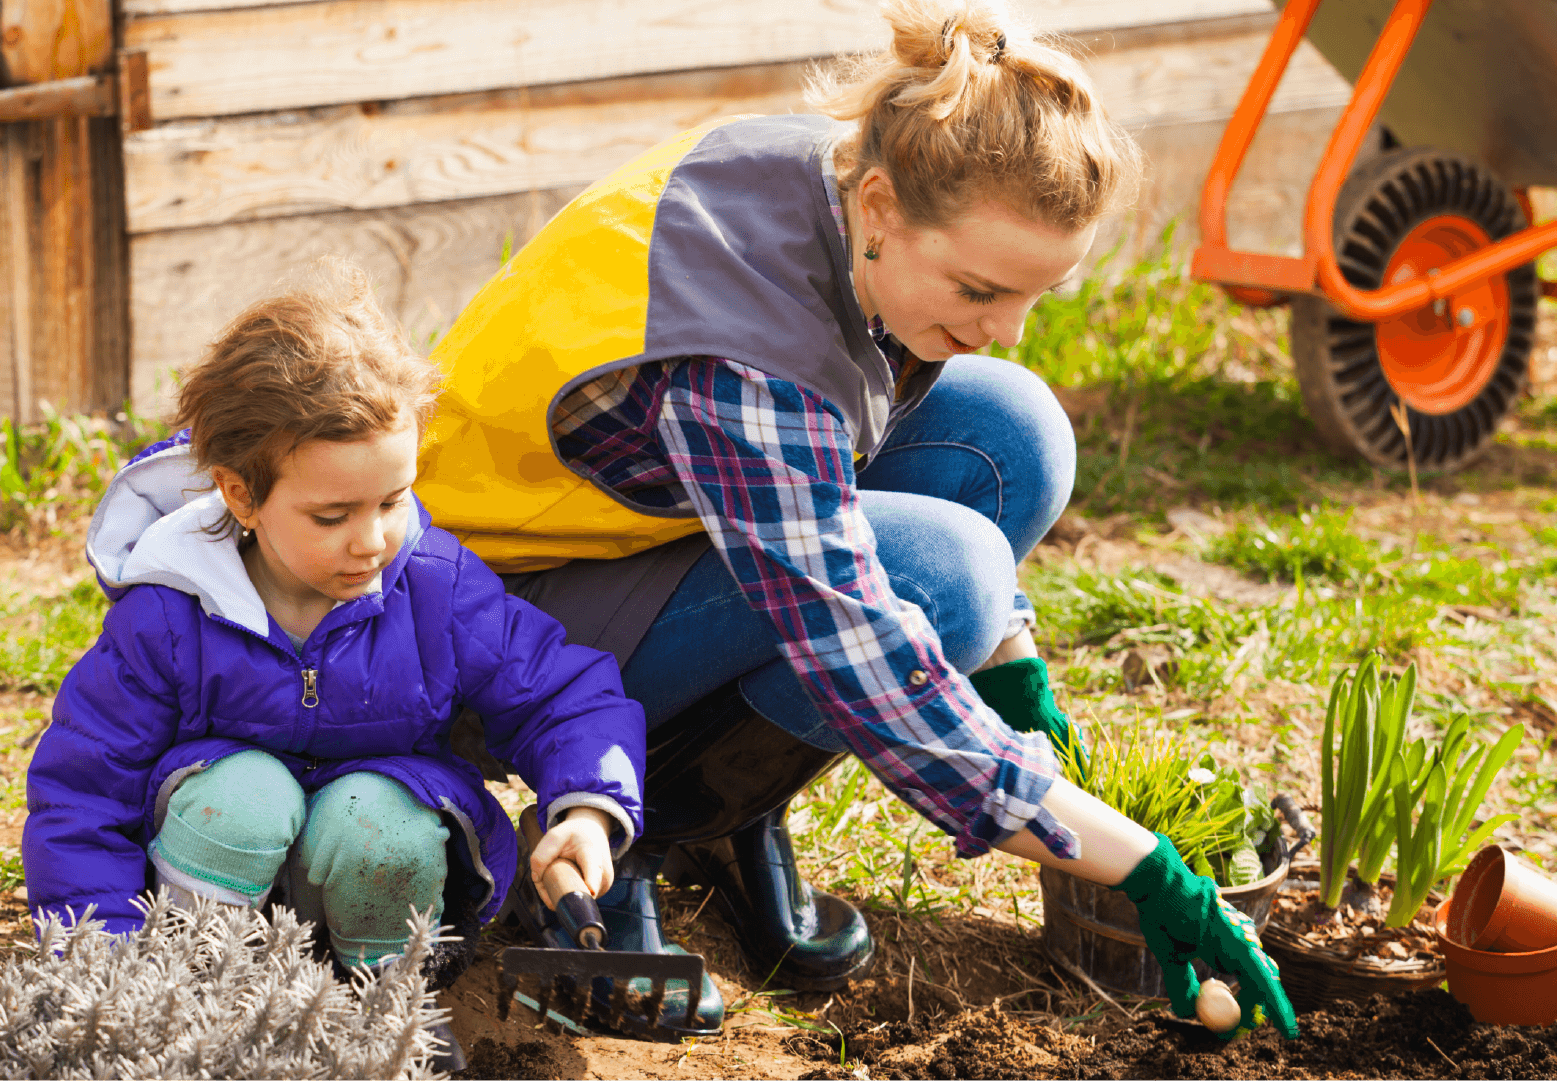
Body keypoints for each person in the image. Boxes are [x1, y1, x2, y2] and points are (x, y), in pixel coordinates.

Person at [416, 0, 1298, 1040]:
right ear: (881, 206)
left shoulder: (849, 182)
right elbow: (870, 664)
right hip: (476, 620)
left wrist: (1013, 662)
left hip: (642, 521)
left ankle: (735, 813)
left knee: (1014, 433)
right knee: (945, 578)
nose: (1001, 328)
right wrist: (1148, 870)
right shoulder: (748, 359)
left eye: (1034, 296)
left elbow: (855, 443)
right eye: (978, 287)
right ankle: (627, 827)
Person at [21, 274, 647, 1069]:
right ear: (241, 496)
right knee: (241, 795)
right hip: (219, 880)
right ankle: (200, 990)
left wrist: (586, 810)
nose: (373, 540)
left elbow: (561, 689)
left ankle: (389, 998)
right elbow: (83, 792)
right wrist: (100, 964)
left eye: (393, 499)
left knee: (374, 810)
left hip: (378, 879)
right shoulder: (168, 618)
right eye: (332, 515)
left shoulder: (432, 587)